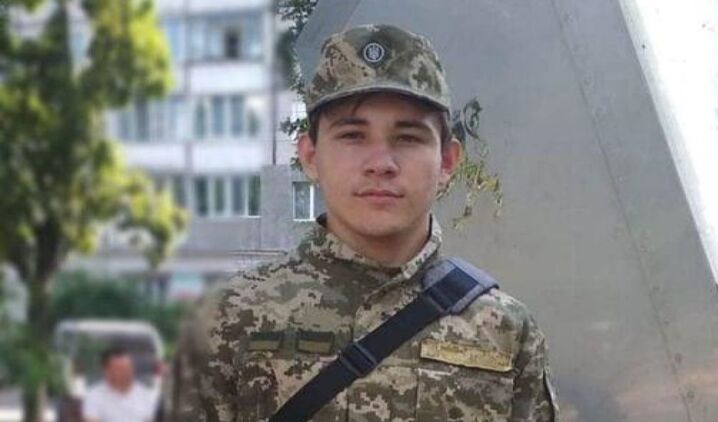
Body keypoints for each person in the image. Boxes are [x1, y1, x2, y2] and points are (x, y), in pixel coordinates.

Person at [167, 24, 559, 421]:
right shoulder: (228, 316)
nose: (381, 164)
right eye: (353, 136)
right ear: (310, 156)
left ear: (446, 161)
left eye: (408, 137)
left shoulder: (505, 331)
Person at [82, 346, 158, 422]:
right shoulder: (94, 396)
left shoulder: (145, 395)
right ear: (107, 372)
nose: (127, 372)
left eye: (129, 367)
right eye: (121, 369)